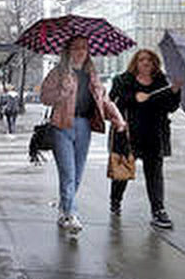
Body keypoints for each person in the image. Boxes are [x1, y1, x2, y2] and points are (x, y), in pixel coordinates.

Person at [40, 36, 126, 234]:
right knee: (68, 173)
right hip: (62, 126)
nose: (80, 51)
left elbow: (104, 100)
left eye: (84, 48)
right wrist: (63, 90)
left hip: (84, 126)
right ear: (68, 51)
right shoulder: (58, 72)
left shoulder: (92, 75)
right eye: (76, 48)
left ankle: (64, 210)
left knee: (77, 175)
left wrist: (117, 118)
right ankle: (71, 214)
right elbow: (45, 97)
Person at [108, 49, 182, 230]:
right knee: (122, 175)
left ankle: (158, 211)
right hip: (128, 135)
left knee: (155, 174)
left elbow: (171, 107)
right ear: (135, 63)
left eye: (149, 60)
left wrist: (175, 91)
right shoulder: (122, 80)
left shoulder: (161, 82)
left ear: (155, 63)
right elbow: (112, 103)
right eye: (142, 60)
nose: (146, 63)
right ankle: (115, 200)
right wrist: (133, 97)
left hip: (154, 135)